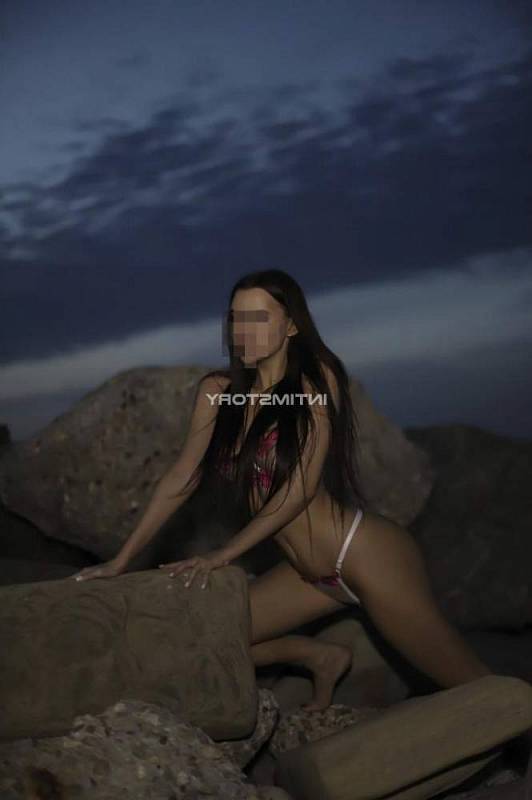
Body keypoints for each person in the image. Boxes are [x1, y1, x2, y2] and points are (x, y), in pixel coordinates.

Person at [71, 268, 494, 713]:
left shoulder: (317, 383)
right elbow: (181, 478)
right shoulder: (218, 392)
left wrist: (223, 554)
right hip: (307, 576)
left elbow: (300, 488)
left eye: (259, 318)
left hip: (364, 556)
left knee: (475, 686)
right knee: (201, 638)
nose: (244, 331)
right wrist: (121, 560)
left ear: (291, 325)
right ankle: (318, 657)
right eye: (237, 319)